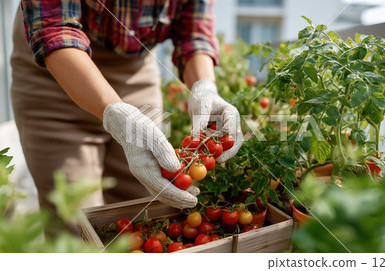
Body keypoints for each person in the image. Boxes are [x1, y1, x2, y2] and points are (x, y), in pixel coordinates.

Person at [10, 0, 243, 218]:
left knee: (146, 208)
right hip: (55, 69)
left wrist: (204, 88)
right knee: (75, 219)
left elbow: (193, 30)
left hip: (134, 67)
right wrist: (114, 112)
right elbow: (54, 27)